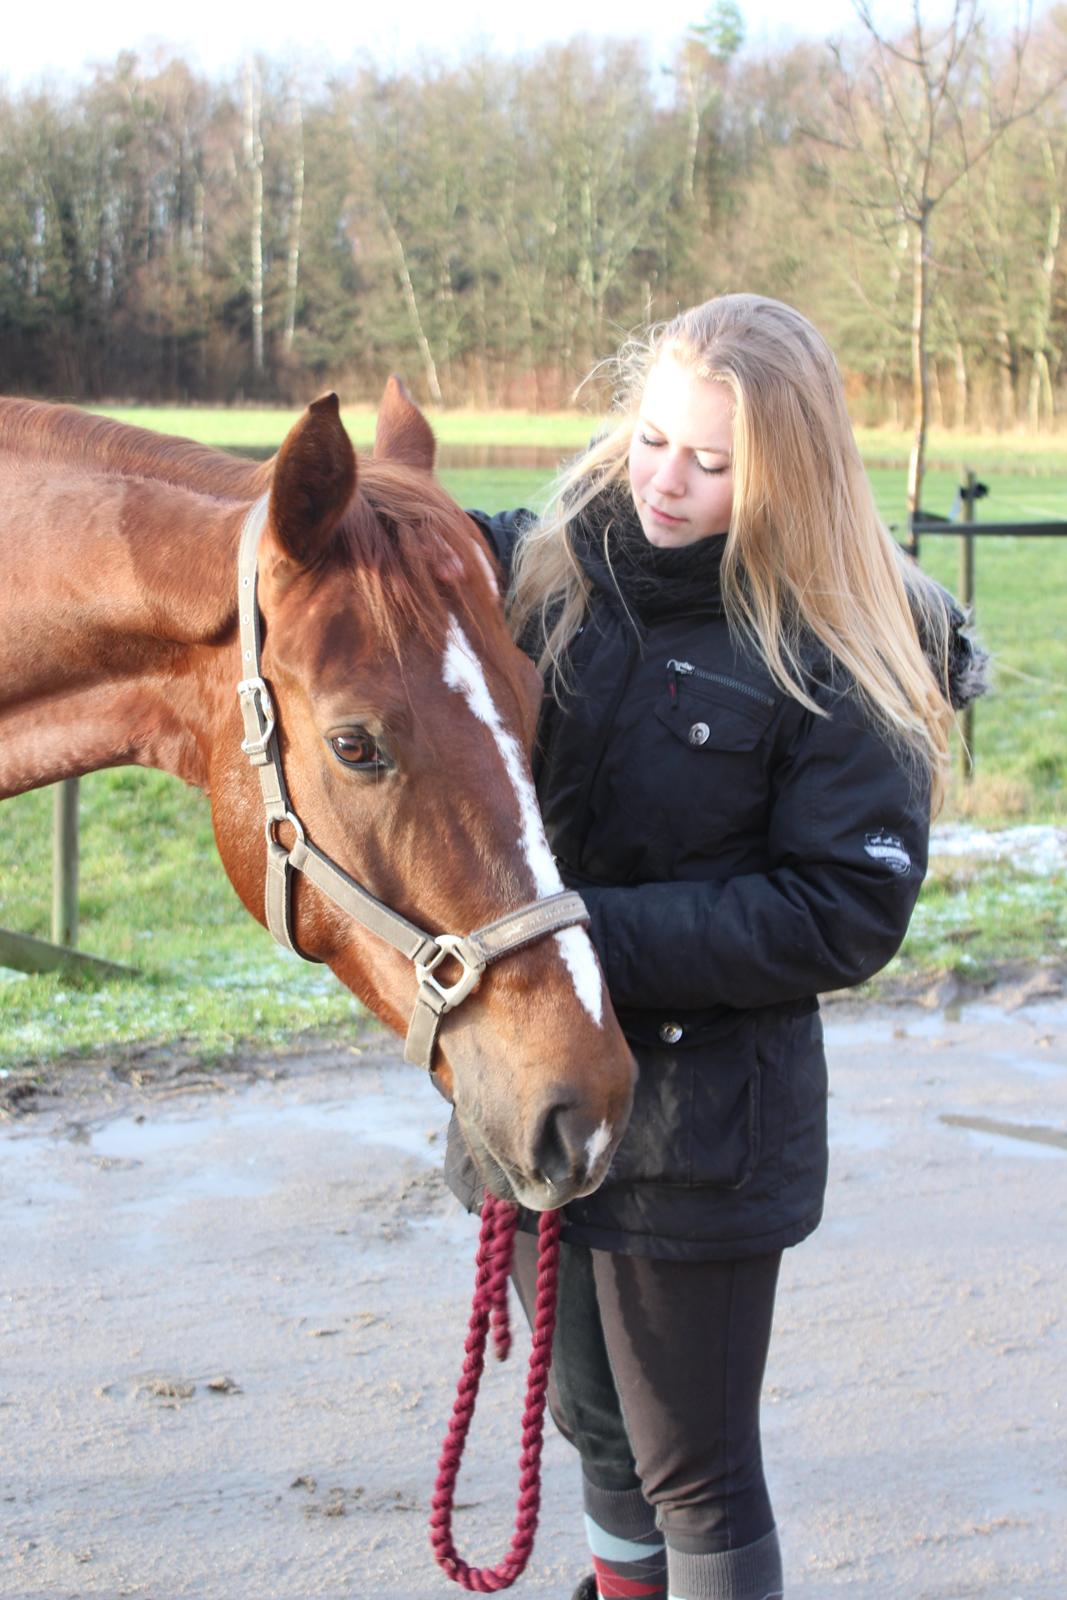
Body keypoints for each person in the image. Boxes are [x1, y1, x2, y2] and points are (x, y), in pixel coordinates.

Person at [445, 293, 986, 1600]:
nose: (663, 482)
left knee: (693, 1469)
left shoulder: (842, 648)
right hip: (536, 1088)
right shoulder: (555, 567)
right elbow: (412, 561)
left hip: (701, 1128)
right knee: (594, 1435)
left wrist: (565, 945)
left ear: (784, 470)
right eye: (648, 439)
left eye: (711, 460)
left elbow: (837, 912)